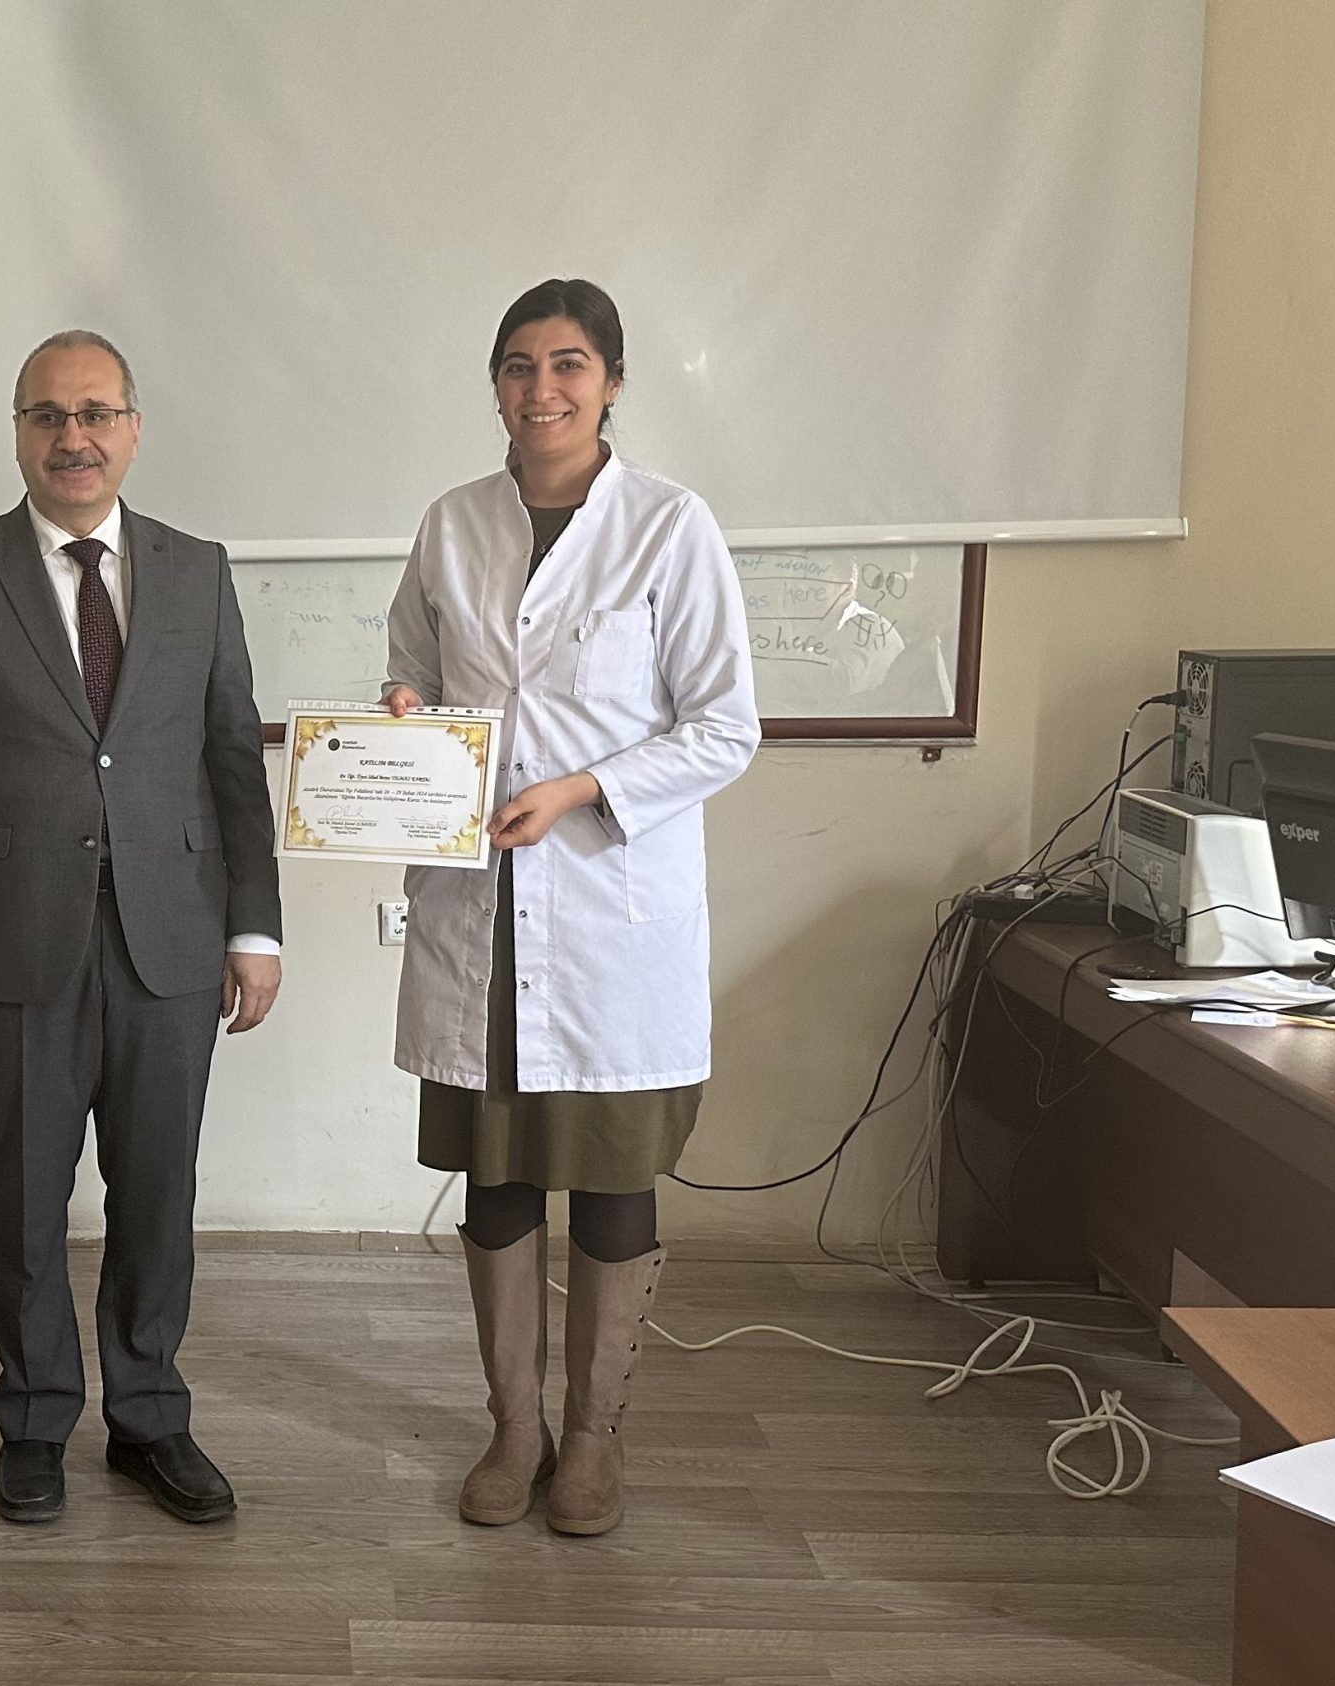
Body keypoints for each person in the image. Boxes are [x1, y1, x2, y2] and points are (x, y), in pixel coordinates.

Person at [0, 330, 283, 1526]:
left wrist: (255, 930)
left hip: (173, 941)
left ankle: (149, 1418)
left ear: (133, 430)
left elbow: (232, 761)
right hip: (16, 946)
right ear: (19, 433)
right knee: (23, 1201)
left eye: (96, 412)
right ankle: (34, 1419)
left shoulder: (198, 571)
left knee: (157, 1196)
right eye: (48, 415)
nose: (74, 437)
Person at [384, 279, 760, 1536]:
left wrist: (586, 788)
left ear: (610, 382)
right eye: (517, 365)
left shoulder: (669, 526)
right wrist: (404, 712)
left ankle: (594, 1438)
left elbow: (724, 726)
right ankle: (514, 1428)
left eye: (567, 364)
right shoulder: (451, 522)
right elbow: (412, 666)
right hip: (478, 911)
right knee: (496, 1178)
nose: (539, 388)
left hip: (608, 911)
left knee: (607, 1177)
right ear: (495, 383)